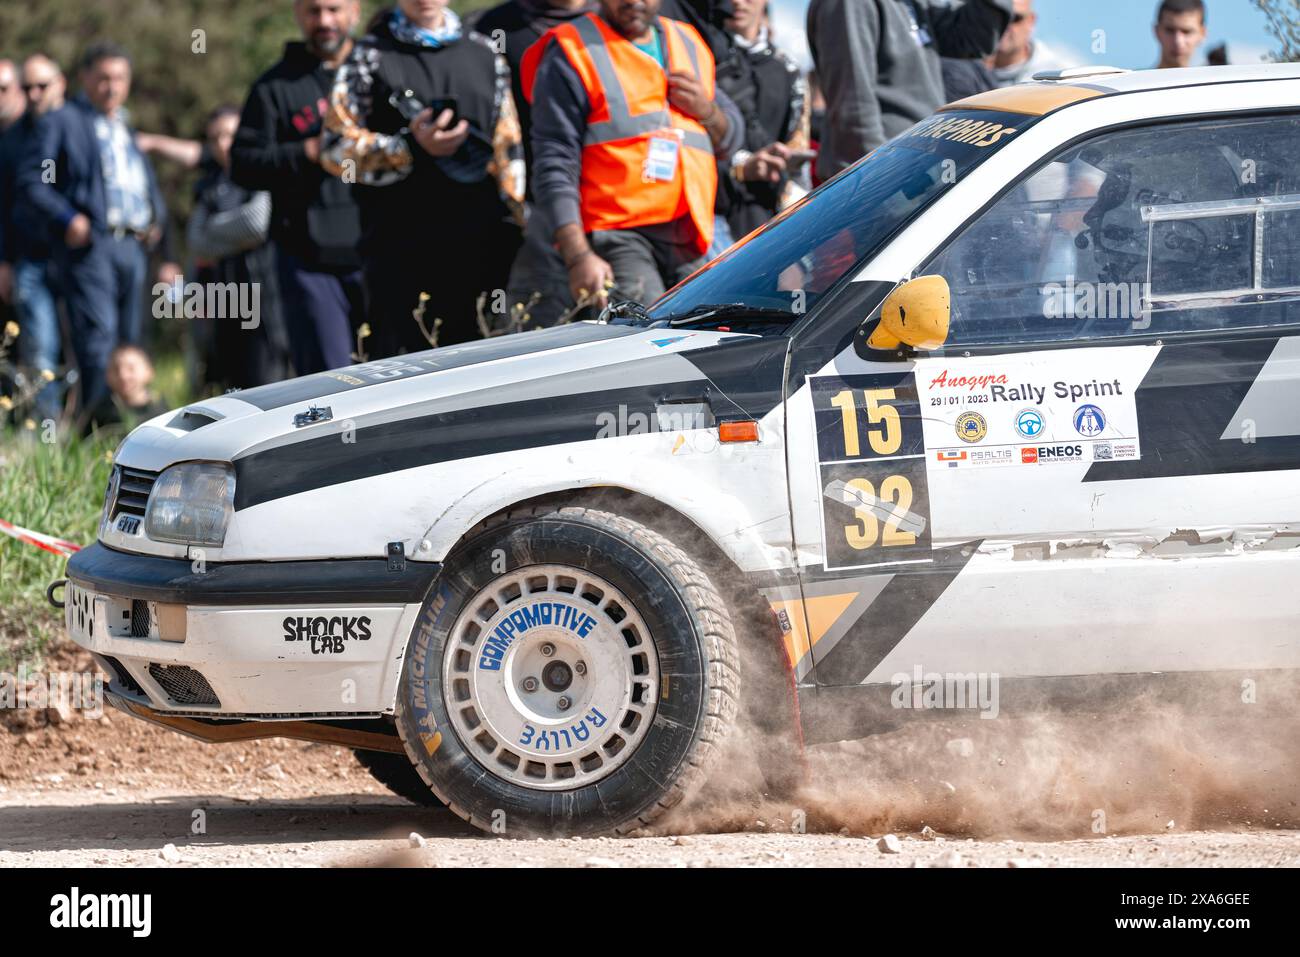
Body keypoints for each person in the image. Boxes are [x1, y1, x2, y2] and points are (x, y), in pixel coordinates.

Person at [321, 0, 525, 356]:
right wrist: (408, 147)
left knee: (480, 369)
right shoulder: (368, 56)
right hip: (397, 253)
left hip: (482, 249)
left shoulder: (485, 53)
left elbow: (508, 152)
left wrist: (524, 225)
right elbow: (334, 147)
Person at [525, 0, 745, 310]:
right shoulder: (571, 49)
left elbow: (732, 136)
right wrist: (578, 257)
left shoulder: (688, 42)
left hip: (690, 232)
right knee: (644, 335)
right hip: (617, 235)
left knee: (709, 333)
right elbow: (554, 162)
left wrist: (707, 112)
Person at [20, 42, 178, 415]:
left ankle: (135, 424)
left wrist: (160, 232)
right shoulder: (64, 120)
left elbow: (145, 185)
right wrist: (67, 218)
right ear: (85, 78)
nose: (112, 86)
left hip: (134, 247)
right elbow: (32, 181)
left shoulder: (124, 126)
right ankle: (96, 425)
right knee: (98, 339)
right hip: (94, 247)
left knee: (132, 341)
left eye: (120, 78)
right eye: (103, 77)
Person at [231, 0, 366, 374]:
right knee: (331, 379)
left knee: (392, 373)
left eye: (334, 9)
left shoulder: (379, 71)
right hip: (309, 261)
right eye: (313, 11)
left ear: (354, 10)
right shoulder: (274, 86)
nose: (324, 21)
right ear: (297, 14)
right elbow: (242, 164)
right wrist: (306, 150)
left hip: (380, 252)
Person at [472, 0, 596, 329]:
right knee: (532, 334)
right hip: (523, 213)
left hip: (613, 205)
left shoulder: (614, 23)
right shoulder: (492, 27)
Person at [806, 0, 1012, 180]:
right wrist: (888, 189)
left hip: (914, 175)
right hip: (882, 185)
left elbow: (974, 38)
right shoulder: (850, 4)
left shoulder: (911, 3)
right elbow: (854, 112)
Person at [189, 105, 290, 391]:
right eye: (215, 138)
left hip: (266, 298)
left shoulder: (263, 171)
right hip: (226, 299)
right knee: (233, 387)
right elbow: (197, 243)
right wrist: (235, 233)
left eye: (230, 135)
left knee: (267, 382)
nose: (223, 144)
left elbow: (258, 224)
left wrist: (215, 228)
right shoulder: (208, 185)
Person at [0, 55, 67, 422]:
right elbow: (5, 208)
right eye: (28, 88)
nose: (35, 94)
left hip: (78, 259)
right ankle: (49, 432)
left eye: (42, 85)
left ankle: (95, 426)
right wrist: (5, 261)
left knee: (88, 348)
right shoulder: (11, 141)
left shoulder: (76, 125)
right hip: (29, 259)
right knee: (40, 349)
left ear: (61, 83)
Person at [714, 0, 811, 245]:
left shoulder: (787, 69)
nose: (737, 2)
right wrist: (740, 167)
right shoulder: (699, 55)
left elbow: (798, 142)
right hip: (712, 209)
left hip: (769, 211)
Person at [80, 342, 168, 435]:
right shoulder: (100, 412)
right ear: (107, 375)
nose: (123, 376)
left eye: (131, 368)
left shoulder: (161, 412)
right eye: (116, 369)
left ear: (149, 371)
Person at [988, 0, 1068, 87]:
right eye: (997, 15)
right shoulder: (972, 68)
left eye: (1015, 18)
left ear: (1031, 21)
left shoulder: (1057, 80)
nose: (1005, 24)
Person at [1155, 0, 1207, 69]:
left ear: (1202, 33)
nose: (1178, 41)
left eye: (1186, 31)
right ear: (1157, 31)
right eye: (1170, 30)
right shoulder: (1139, 79)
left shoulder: (1218, 77)